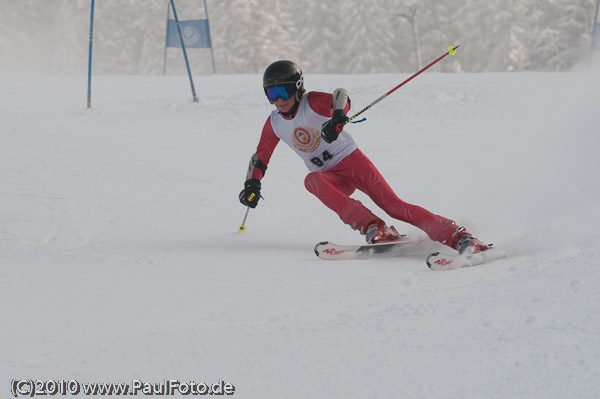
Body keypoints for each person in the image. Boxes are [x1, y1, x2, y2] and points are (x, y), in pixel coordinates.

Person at [239, 60, 488, 254]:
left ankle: (458, 236)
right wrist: (253, 183)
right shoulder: (274, 123)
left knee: (394, 206)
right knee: (312, 180)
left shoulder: (312, 102)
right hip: (330, 176)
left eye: (283, 91)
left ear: (297, 88)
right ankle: (373, 226)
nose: (279, 100)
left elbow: (341, 96)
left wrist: (337, 117)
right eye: (272, 94)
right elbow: (260, 156)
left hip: (353, 164)